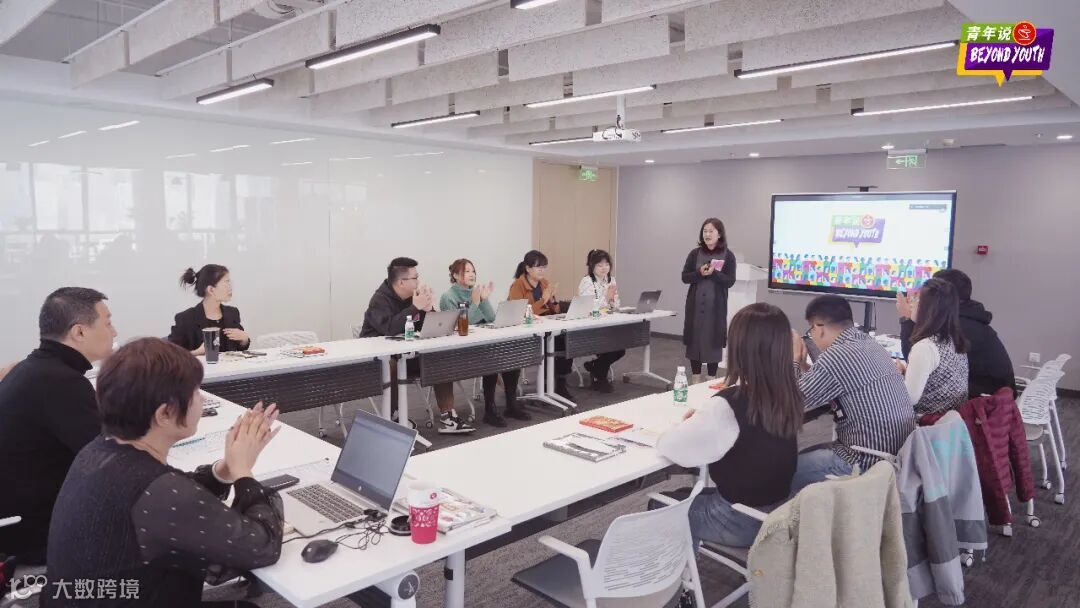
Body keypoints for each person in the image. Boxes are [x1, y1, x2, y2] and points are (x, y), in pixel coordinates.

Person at [43, 338, 282, 608]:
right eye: (196, 392)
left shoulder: (98, 451)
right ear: (165, 413)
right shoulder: (155, 488)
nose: (202, 399)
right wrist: (243, 472)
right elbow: (263, 546)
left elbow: (176, 493)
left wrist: (224, 469)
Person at [656, 303, 804, 548]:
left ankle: (683, 572)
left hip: (738, 518)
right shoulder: (788, 394)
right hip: (778, 512)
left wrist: (698, 421)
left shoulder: (729, 405)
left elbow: (671, 446)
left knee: (661, 504)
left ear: (739, 349)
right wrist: (705, 419)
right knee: (683, 495)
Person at [0, 287, 116, 565]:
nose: (114, 332)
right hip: (40, 533)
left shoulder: (32, 369)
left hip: (20, 521)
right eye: (108, 323)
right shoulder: (61, 382)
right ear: (79, 332)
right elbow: (110, 460)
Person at [789, 295, 915, 495]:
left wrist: (794, 359)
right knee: (806, 454)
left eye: (810, 331)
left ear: (819, 328)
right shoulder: (868, 342)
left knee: (786, 469)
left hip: (862, 461)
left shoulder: (837, 355)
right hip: (894, 457)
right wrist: (805, 366)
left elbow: (791, 402)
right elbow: (826, 382)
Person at [360, 257, 474, 434]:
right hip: (378, 360)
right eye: (415, 278)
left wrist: (428, 310)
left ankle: (448, 417)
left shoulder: (412, 298)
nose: (418, 282)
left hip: (405, 354)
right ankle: (392, 416)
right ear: (401, 282)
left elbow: (427, 326)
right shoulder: (379, 300)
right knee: (391, 365)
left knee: (438, 358)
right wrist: (415, 307)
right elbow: (389, 329)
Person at [439, 259, 530, 427]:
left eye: (473, 271)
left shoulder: (475, 292)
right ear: (455, 275)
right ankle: (490, 409)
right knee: (492, 356)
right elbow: (460, 326)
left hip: (481, 343)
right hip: (461, 348)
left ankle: (511, 404)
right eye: (467, 271)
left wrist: (484, 299)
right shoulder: (448, 297)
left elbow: (490, 318)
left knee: (509, 351)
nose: (472, 274)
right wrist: (475, 302)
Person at [898, 268, 1015, 397]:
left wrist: (906, 319)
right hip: (986, 392)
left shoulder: (956, 327)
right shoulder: (966, 318)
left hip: (987, 399)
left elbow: (917, 358)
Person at [895, 278, 970, 416]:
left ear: (928, 309)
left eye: (916, 299)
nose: (911, 304)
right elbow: (937, 383)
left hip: (926, 423)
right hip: (952, 422)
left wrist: (893, 378)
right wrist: (907, 373)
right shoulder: (952, 340)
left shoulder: (925, 348)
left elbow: (908, 399)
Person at [508, 250, 574, 400]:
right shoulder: (517, 285)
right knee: (548, 344)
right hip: (527, 332)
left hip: (546, 327)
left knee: (567, 340)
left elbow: (554, 310)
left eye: (544, 267)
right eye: (539, 267)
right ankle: (545, 385)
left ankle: (560, 383)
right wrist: (543, 300)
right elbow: (521, 314)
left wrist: (552, 301)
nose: (542, 271)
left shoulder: (544, 283)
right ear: (528, 268)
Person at [681, 218, 737, 384]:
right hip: (695, 307)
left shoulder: (728, 255)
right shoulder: (694, 254)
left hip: (715, 308)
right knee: (695, 341)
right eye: (705, 231)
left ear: (719, 234)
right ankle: (695, 378)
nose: (707, 234)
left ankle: (711, 378)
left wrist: (714, 273)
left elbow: (730, 281)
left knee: (714, 341)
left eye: (711, 231)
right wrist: (699, 273)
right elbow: (685, 277)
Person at [169, 264, 250, 354]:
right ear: (211, 290)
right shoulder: (185, 318)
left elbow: (239, 349)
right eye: (226, 282)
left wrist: (244, 340)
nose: (230, 288)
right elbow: (172, 355)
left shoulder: (232, 313)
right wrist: (197, 352)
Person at [576, 249, 626, 393]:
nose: (604, 268)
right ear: (592, 266)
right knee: (611, 347)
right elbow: (588, 307)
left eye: (607, 264)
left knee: (620, 348)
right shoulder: (587, 281)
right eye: (600, 265)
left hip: (607, 324)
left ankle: (595, 367)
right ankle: (599, 376)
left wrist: (612, 300)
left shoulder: (611, 280)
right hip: (590, 326)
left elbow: (616, 304)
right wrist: (606, 297)